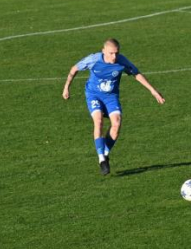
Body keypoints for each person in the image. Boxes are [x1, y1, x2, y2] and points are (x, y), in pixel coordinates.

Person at [63, 38, 165, 175]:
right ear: (103, 51)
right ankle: (101, 159)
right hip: (94, 95)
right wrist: (66, 88)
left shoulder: (121, 61)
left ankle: (105, 153)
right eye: (111, 53)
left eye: (116, 53)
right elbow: (74, 69)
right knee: (98, 121)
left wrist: (153, 90)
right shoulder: (93, 59)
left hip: (111, 97)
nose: (114, 56)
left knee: (116, 124)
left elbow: (136, 73)